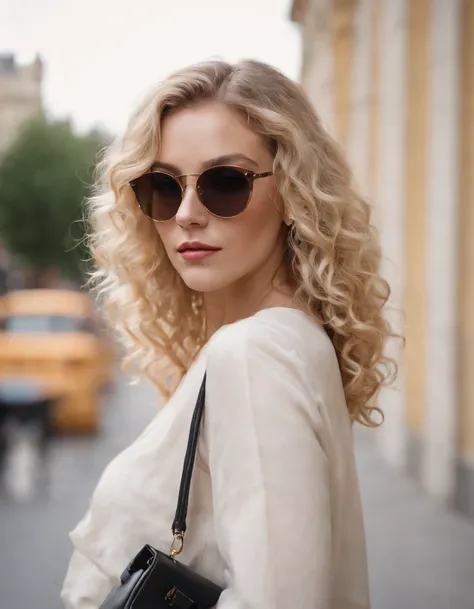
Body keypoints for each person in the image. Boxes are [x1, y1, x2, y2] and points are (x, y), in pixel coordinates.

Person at [60, 59, 396, 609]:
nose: (188, 213)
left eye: (225, 182)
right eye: (164, 187)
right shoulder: (285, 342)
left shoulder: (254, 354)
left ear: (292, 193)